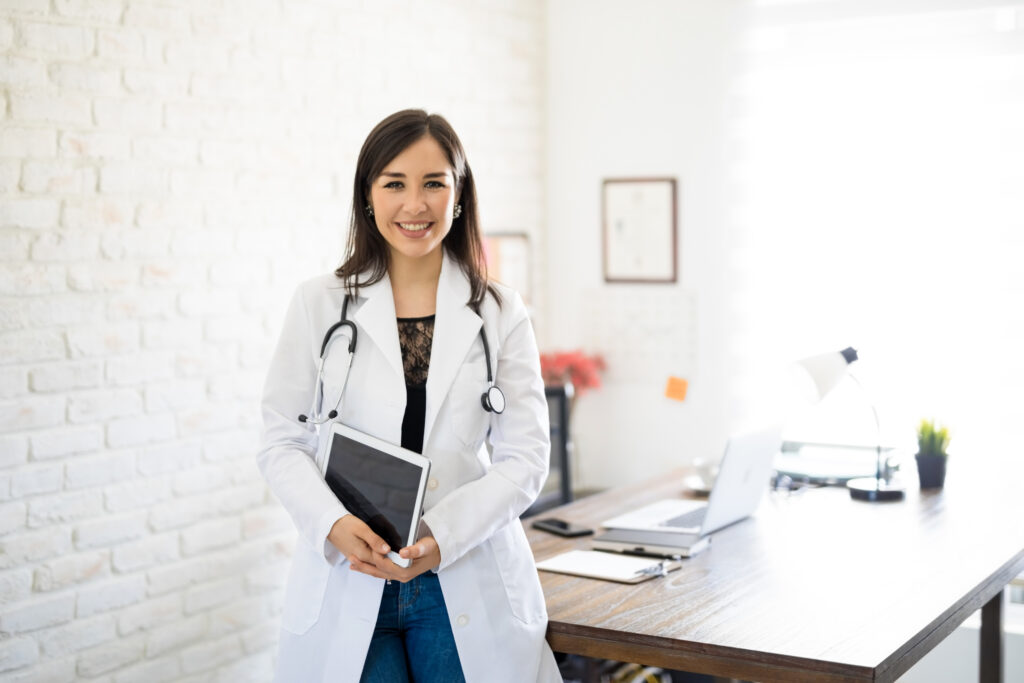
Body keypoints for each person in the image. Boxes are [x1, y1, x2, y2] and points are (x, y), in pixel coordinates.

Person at [257, 109, 560, 682]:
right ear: (368, 197)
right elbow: (281, 441)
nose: (414, 205)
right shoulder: (318, 305)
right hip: (351, 577)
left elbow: (525, 459)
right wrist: (330, 524)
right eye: (394, 183)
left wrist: (444, 536)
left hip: (461, 576)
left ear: (460, 194)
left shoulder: (499, 312)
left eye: (434, 183)